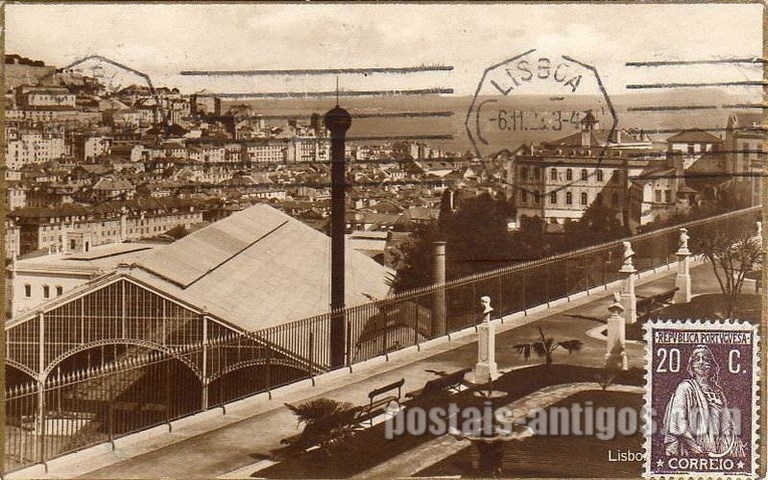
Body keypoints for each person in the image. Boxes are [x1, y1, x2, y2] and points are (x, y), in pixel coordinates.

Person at [662, 345, 745, 457]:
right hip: (694, 451)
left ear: (712, 366)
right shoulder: (685, 387)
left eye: (706, 359)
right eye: (697, 359)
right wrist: (695, 447)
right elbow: (677, 423)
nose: (701, 363)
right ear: (691, 366)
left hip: (717, 451)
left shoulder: (718, 392)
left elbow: (727, 425)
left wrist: (728, 450)